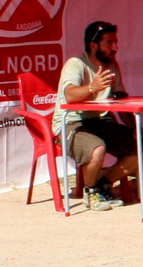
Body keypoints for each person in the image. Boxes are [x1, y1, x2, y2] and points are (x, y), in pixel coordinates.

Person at [55, 20, 138, 211]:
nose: (115, 48)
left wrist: (134, 128)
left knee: (141, 146)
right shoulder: (76, 64)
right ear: (93, 45)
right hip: (73, 121)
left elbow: (120, 100)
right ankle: (90, 191)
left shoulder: (112, 65)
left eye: (115, 42)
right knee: (97, 149)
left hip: (100, 120)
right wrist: (93, 87)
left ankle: (102, 185)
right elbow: (69, 95)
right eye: (109, 43)